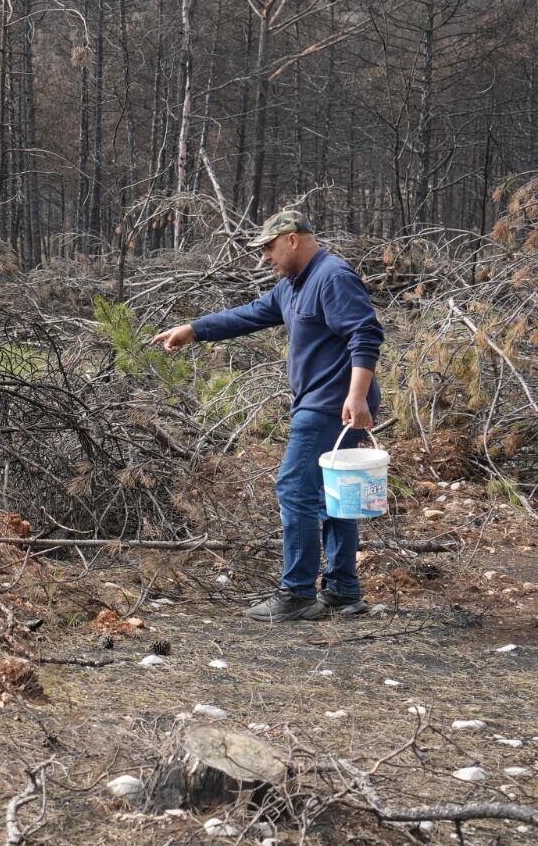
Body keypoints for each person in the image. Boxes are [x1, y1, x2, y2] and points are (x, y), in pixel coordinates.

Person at [151, 209, 384, 622]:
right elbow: (250, 314)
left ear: (292, 239)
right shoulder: (292, 286)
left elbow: (364, 334)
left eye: (269, 248)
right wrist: (194, 328)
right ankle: (344, 591)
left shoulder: (332, 276)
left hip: (333, 403)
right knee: (335, 493)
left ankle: (297, 594)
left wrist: (358, 396)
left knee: (295, 490)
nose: (265, 258)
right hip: (327, 401)